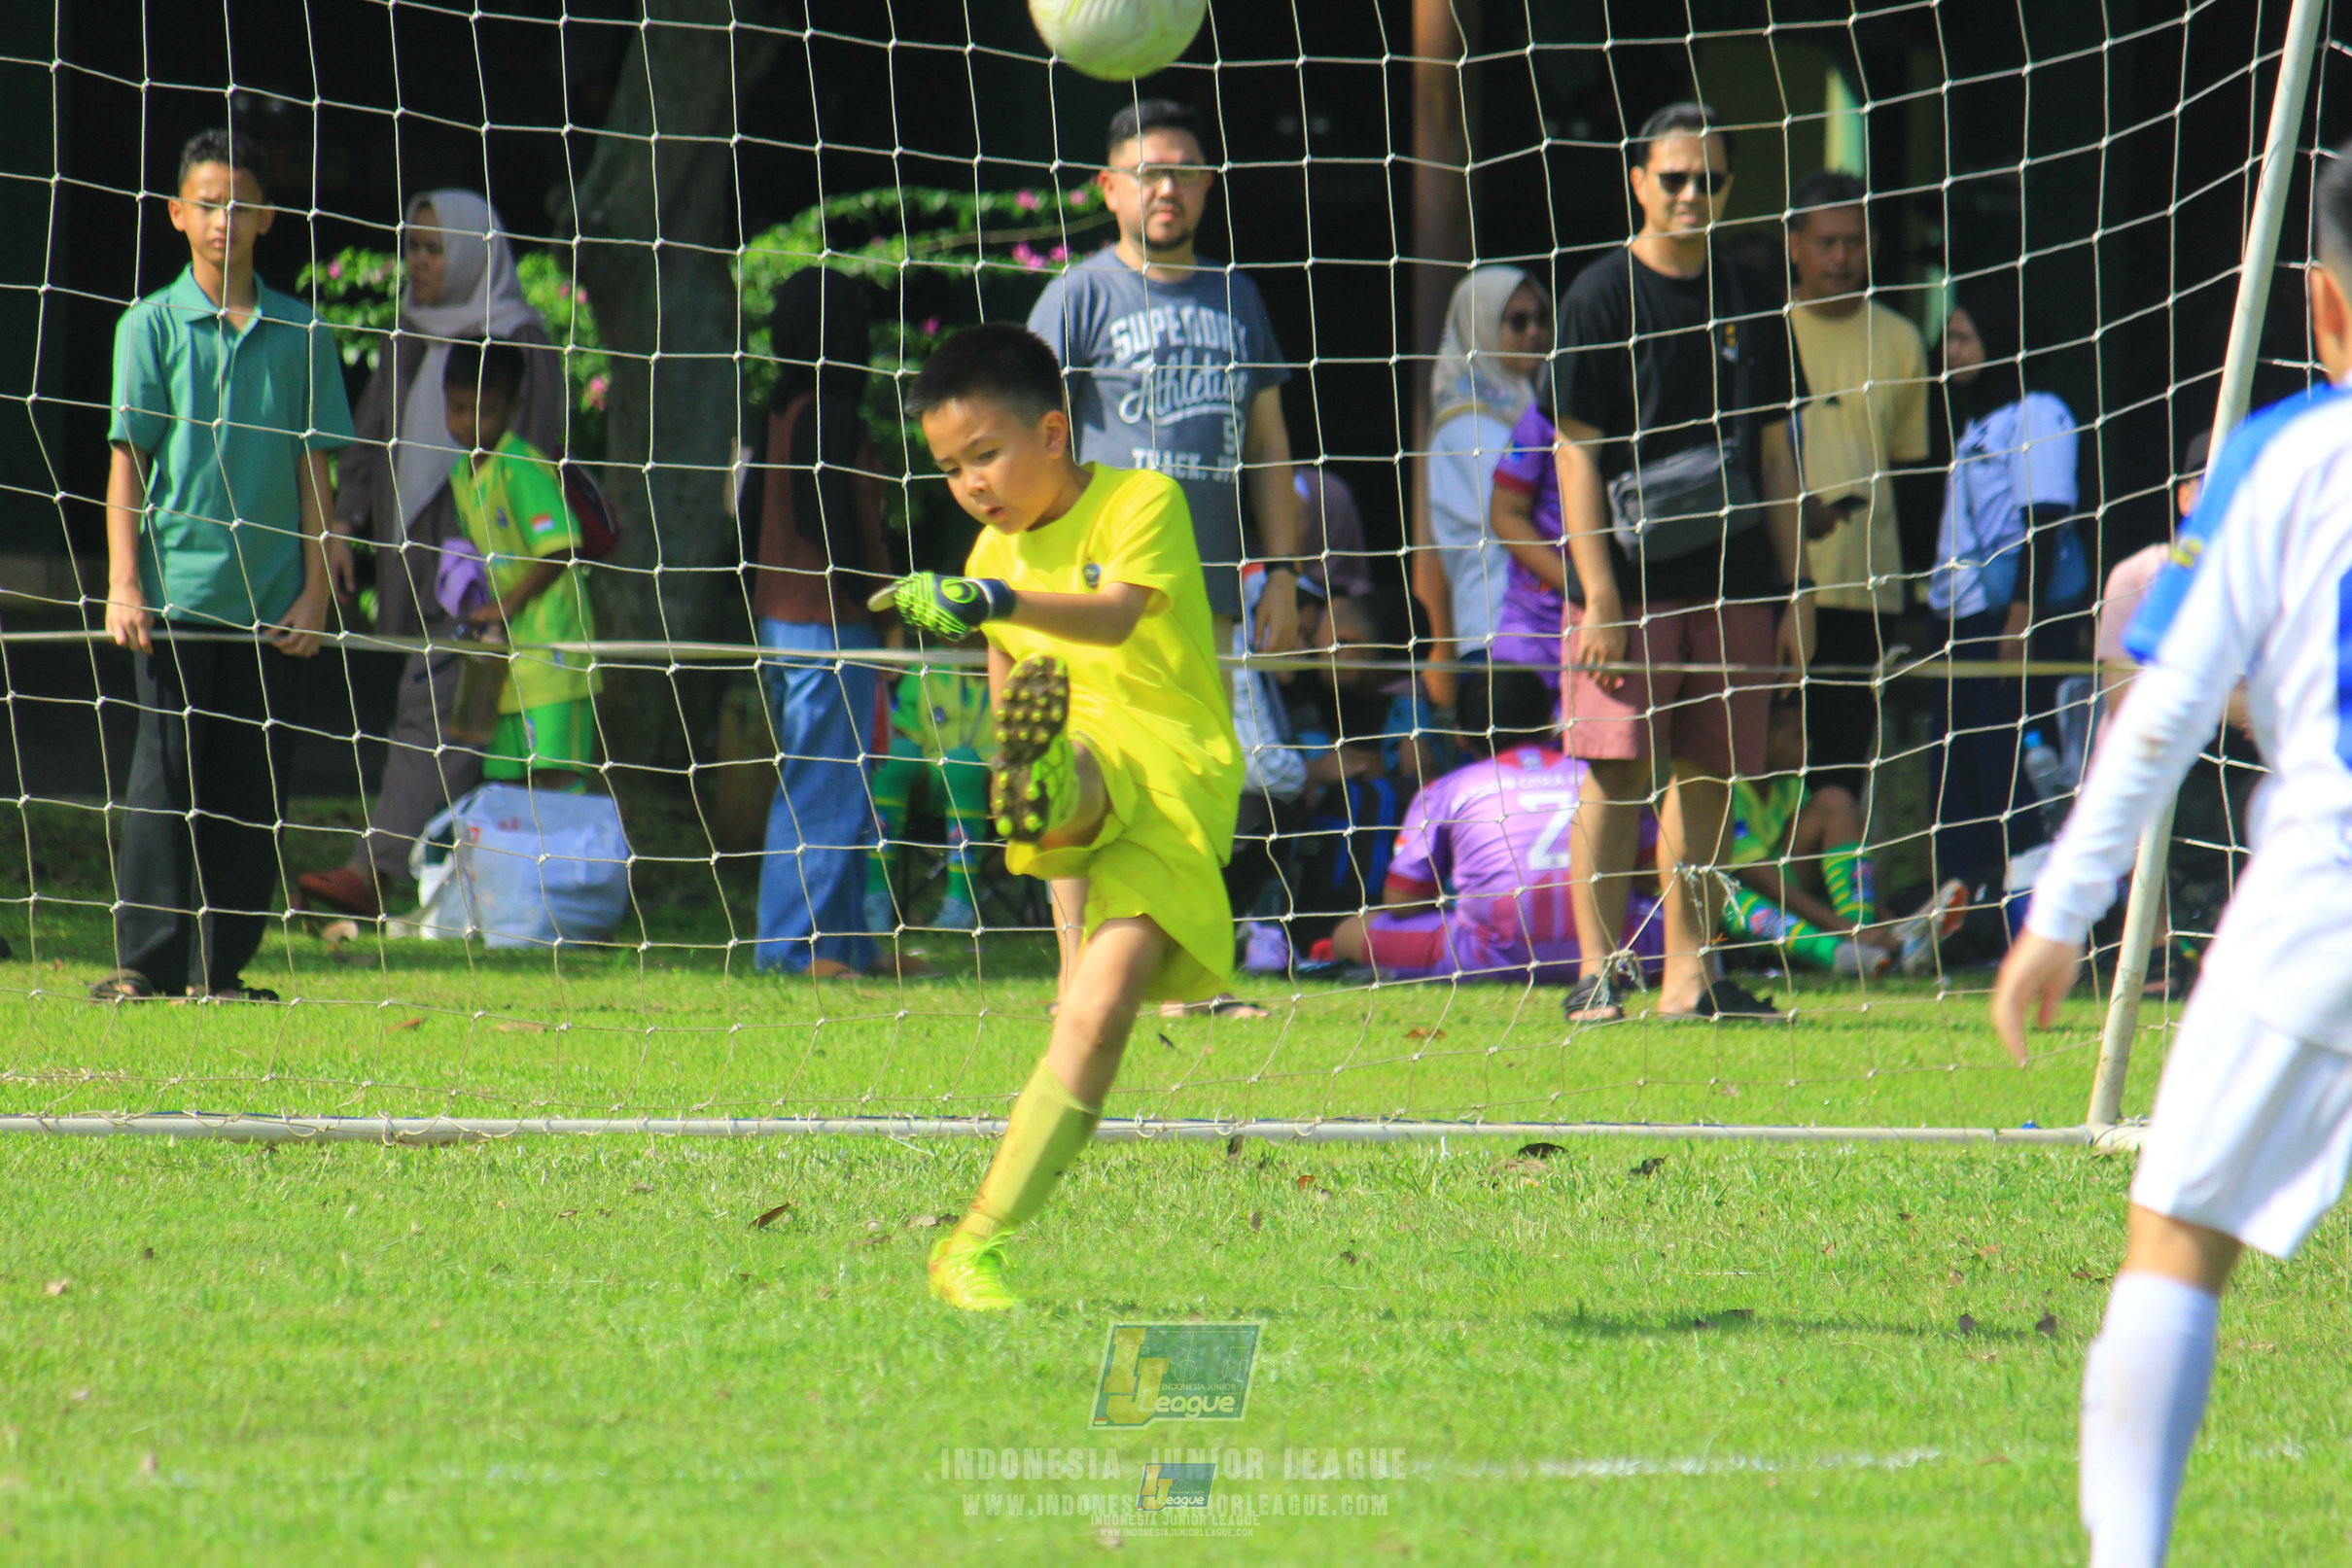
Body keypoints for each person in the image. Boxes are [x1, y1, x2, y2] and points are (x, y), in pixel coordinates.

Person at [1990, 142, 2352, 1568]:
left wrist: (2058, 911)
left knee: (2171, 1239)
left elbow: (2158, 719)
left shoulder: (2283, 456)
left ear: (2319, 308)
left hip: (2320, 894)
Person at [872, 324, 1242, 1310]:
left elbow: (1118, 615)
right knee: (1090, 1003)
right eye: (949, 469)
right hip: (1076, 771)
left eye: (983, 454)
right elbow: (1010, 695)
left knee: (1099, 1004)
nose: (970, 484)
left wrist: (999, 596)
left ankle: (975, 1237)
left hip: (1172, 770)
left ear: (1050, 432)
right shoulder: (989, 552)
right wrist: (1067, 939)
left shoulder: (1139, 500)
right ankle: (971, 1250)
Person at [1547, 101, 1810, 1023]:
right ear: (1638, 183)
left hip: (1736, 580)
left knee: (1706, 775)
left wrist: (1794, 594)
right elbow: (1572, 452)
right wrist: (1600, 594)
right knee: (1617, 770)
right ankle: (1594, 969)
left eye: (1709, 179)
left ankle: (1688, 978)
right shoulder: (1596, 296)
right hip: (1629, 588)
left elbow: (1776, 453)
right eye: (1674, 179)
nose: (1692, 194)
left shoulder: (1750, 292)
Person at [92, 127, 356, 1001]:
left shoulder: (304, 334)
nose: (222, 220)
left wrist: (318, 592)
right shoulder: (150, 325)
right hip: (175, 594)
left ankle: (223, 967)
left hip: (273, 602)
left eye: (239, 203)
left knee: (252, 787)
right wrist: (124, 582)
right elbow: (127, 462)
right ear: (177, 213)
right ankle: (145, 963)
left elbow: (315, 477)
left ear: (268, 217)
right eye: (206, 203)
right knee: (163, 776)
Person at [298, 190, 563, 919]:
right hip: (411, 567)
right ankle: (458, 884)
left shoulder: (522, 343)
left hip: (483, 585)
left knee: (437, 715)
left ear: (476, 253)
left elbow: (532, 464)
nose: (418, 260)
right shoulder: (410, 334)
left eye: (434, 247)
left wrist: (496, 579)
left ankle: (376, 869)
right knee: (456, 724)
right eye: (412, 245)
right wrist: (347, 520)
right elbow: (370, 432)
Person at [1027, 97, 1305, 658]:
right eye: (1149, 173)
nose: (1168, 189)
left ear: (1207, 184)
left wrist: (1283, 574)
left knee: (1204, 750)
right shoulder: (1076, 295)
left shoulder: (1239, 296)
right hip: (1102, 597)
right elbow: (1028, 438)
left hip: (1209, 599)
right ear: (1109, 187)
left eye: (1186, 172)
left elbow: (1269, 443)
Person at [741, 266, 897, 977]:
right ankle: (789, 949)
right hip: (829, 622)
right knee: (823, 787)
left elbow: (747, 517)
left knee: (835, 785)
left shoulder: (774, 410)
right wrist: (886, 610)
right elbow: (836, 523)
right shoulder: (828, 415)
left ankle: (842, 950)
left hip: (780, 619)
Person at [1329, 670, 1667, 985]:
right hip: (1621, 947)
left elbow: (1402, 901)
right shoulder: (1603, 780)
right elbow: (1653, 876)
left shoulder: (1448, 789)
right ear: (1553, 723)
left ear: (1461, 736)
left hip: (1490, 956)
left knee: (1349, 932)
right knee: (1698, 926)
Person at [1925, 280, 2090, 897]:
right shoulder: (1977, 421)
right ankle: (1962, 892)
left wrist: (2020, 616)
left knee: (2007, 754)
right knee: (1957, 756)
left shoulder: (2037, 410)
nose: (1952, 350)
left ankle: (2024, 892)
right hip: (1964, 614)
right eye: (1950, 338)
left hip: (2012, 619)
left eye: (1966, 339)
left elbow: (2043, 518)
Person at [1783, 169, 1931, 799]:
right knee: (1769, 767)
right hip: (1779, 588)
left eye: (1854, 241)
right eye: (1826, 242)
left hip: (1868, 588)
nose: (1841, 257)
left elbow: (1913, 469)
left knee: (1842, 775)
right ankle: (1764, 899)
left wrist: (1921, 591)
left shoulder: (1899, 339)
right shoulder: (1767, 329)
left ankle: (1844, 899)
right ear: (1793, 244)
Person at [441, 341, 600, 788]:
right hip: (506, 664)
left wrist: (506, 604)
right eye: (457, 408)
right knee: (506, 784)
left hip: (553, 661)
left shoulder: (521, 467)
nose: (469, 424)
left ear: (515, 405)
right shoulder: (462, 474)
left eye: (484, 412)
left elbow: (561, 547)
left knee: (553, 781)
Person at [1719, 699, 1965, 977]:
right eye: (1796, 736)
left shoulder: (1789, 787)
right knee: (1732, 900)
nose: (1808, 743)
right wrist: (1844, 930)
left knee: (1833, 803)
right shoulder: (1727, 793)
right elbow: (1762, 882)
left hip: (1794, 891)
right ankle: (1841, 953)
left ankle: (1882, 938)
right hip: (1740, 912)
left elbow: (1836, 861)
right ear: (1759, 744)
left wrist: (1883, 921)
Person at [1419, 265, 1554, 679]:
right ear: (1478, 327)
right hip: (1496, 627)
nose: (1533, 333)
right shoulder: (1466, 425)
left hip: (1540, 625)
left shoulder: (1526, 406)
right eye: (1516, 322)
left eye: (1541, 319)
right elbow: (1520, 513)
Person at [865, 654, 993, 933]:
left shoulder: (1015, 661)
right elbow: (902, 730)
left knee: (962, 764)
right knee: (897, 754)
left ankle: (962, 901)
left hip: (993, 786)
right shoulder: (927, 664)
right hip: (929, 778)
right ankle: (874, 897)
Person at [1487, 399, 1568, 688]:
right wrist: (1585, 587)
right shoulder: (1544, 414)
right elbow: (1504, 513)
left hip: (1628, 623)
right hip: (1534, 629)